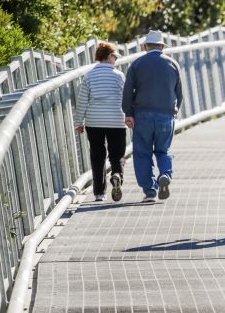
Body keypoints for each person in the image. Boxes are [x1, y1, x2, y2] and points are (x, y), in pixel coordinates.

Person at [122, 30, 183, 203]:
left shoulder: (136, 64)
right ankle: (165, 174)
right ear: (162, 46)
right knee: (163, 150)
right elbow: (179, 94)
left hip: (142, 115)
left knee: (142, 153)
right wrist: (174, 111)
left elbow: (128, 92)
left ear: (145, 46)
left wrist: (129, 113)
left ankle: (149, 191)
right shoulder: (173, 64)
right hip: (166, 115)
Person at [75, 42, 126, 202]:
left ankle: (99, 193)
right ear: (109, 56)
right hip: (116, 120)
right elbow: (126, 98)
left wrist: (79, 122)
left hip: (94, 120)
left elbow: (82, 100)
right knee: (117, 153)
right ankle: (117, 174)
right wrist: (130, 116)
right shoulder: (119, 76)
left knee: (97, 156)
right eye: (115, 56)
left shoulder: (89, 76)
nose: (116, 60)